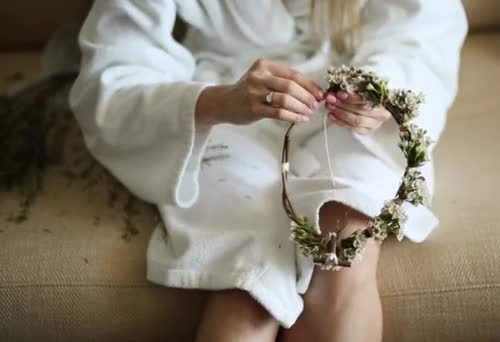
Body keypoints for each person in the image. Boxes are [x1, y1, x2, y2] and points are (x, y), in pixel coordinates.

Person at [70, 1, 467, 341]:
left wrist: (383, 89)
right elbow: (114, 69)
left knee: (345, 241)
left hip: (354, 104)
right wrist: (217, 102)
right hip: (225, 102)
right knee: (250, 277)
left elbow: (424, 26)